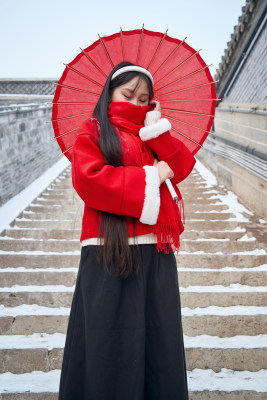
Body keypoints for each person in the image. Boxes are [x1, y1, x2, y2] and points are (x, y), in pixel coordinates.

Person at [58, 61, 196, 400]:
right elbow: (89, 180)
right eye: (127, 95)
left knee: (158, 343)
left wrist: (157, 132)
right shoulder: (92, 132)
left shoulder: (152, 136)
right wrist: (153, 176)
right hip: (109, 252)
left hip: (156, 254)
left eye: (142, 99)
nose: (135, 104)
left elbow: (183, 166)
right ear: (110, 93)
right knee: (109, 344)